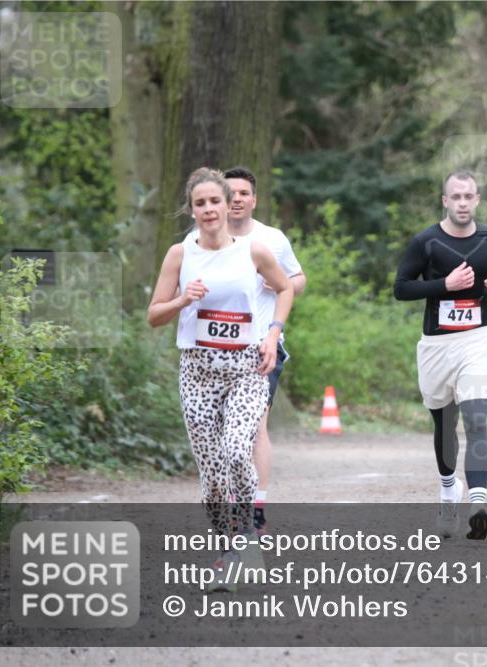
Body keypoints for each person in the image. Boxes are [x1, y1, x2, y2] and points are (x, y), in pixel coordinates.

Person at [147, 167, 293, 583]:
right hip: (198, 371)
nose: (209, 210)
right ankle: (229, 547)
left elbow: (285, 289)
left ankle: (246, 539)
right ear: (191, 210)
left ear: (228, 205)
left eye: (215, 201)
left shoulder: (253, 251)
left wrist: (272, 334)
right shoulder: (180, 254)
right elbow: (153, 315)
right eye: (200, 203)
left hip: (247, 368)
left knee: (235, 450)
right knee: (211, 476)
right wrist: (180, 300)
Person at [393, 170, 487, 540]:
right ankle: (449, 492)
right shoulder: (426, 242)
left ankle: (478, 502)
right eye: (456, 197)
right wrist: (443, 286)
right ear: (445, 201)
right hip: (436, 347)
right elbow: (401, 288)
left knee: (476, 419)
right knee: (445, 426)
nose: (463, 203)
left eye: (469, 196)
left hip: (476, 340)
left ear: (477, 200)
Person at [186, 166, 306, 534]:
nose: (236, 199)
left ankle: (255, 507)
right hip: (209, 357)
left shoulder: (271, 239)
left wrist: (270, 289)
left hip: (260, 350)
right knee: (221, 437)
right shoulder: (196, 241)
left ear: (253, 200)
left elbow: (294, 281)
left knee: (253, 431)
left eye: (243, 193)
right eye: (231, 193)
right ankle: (229, 505)